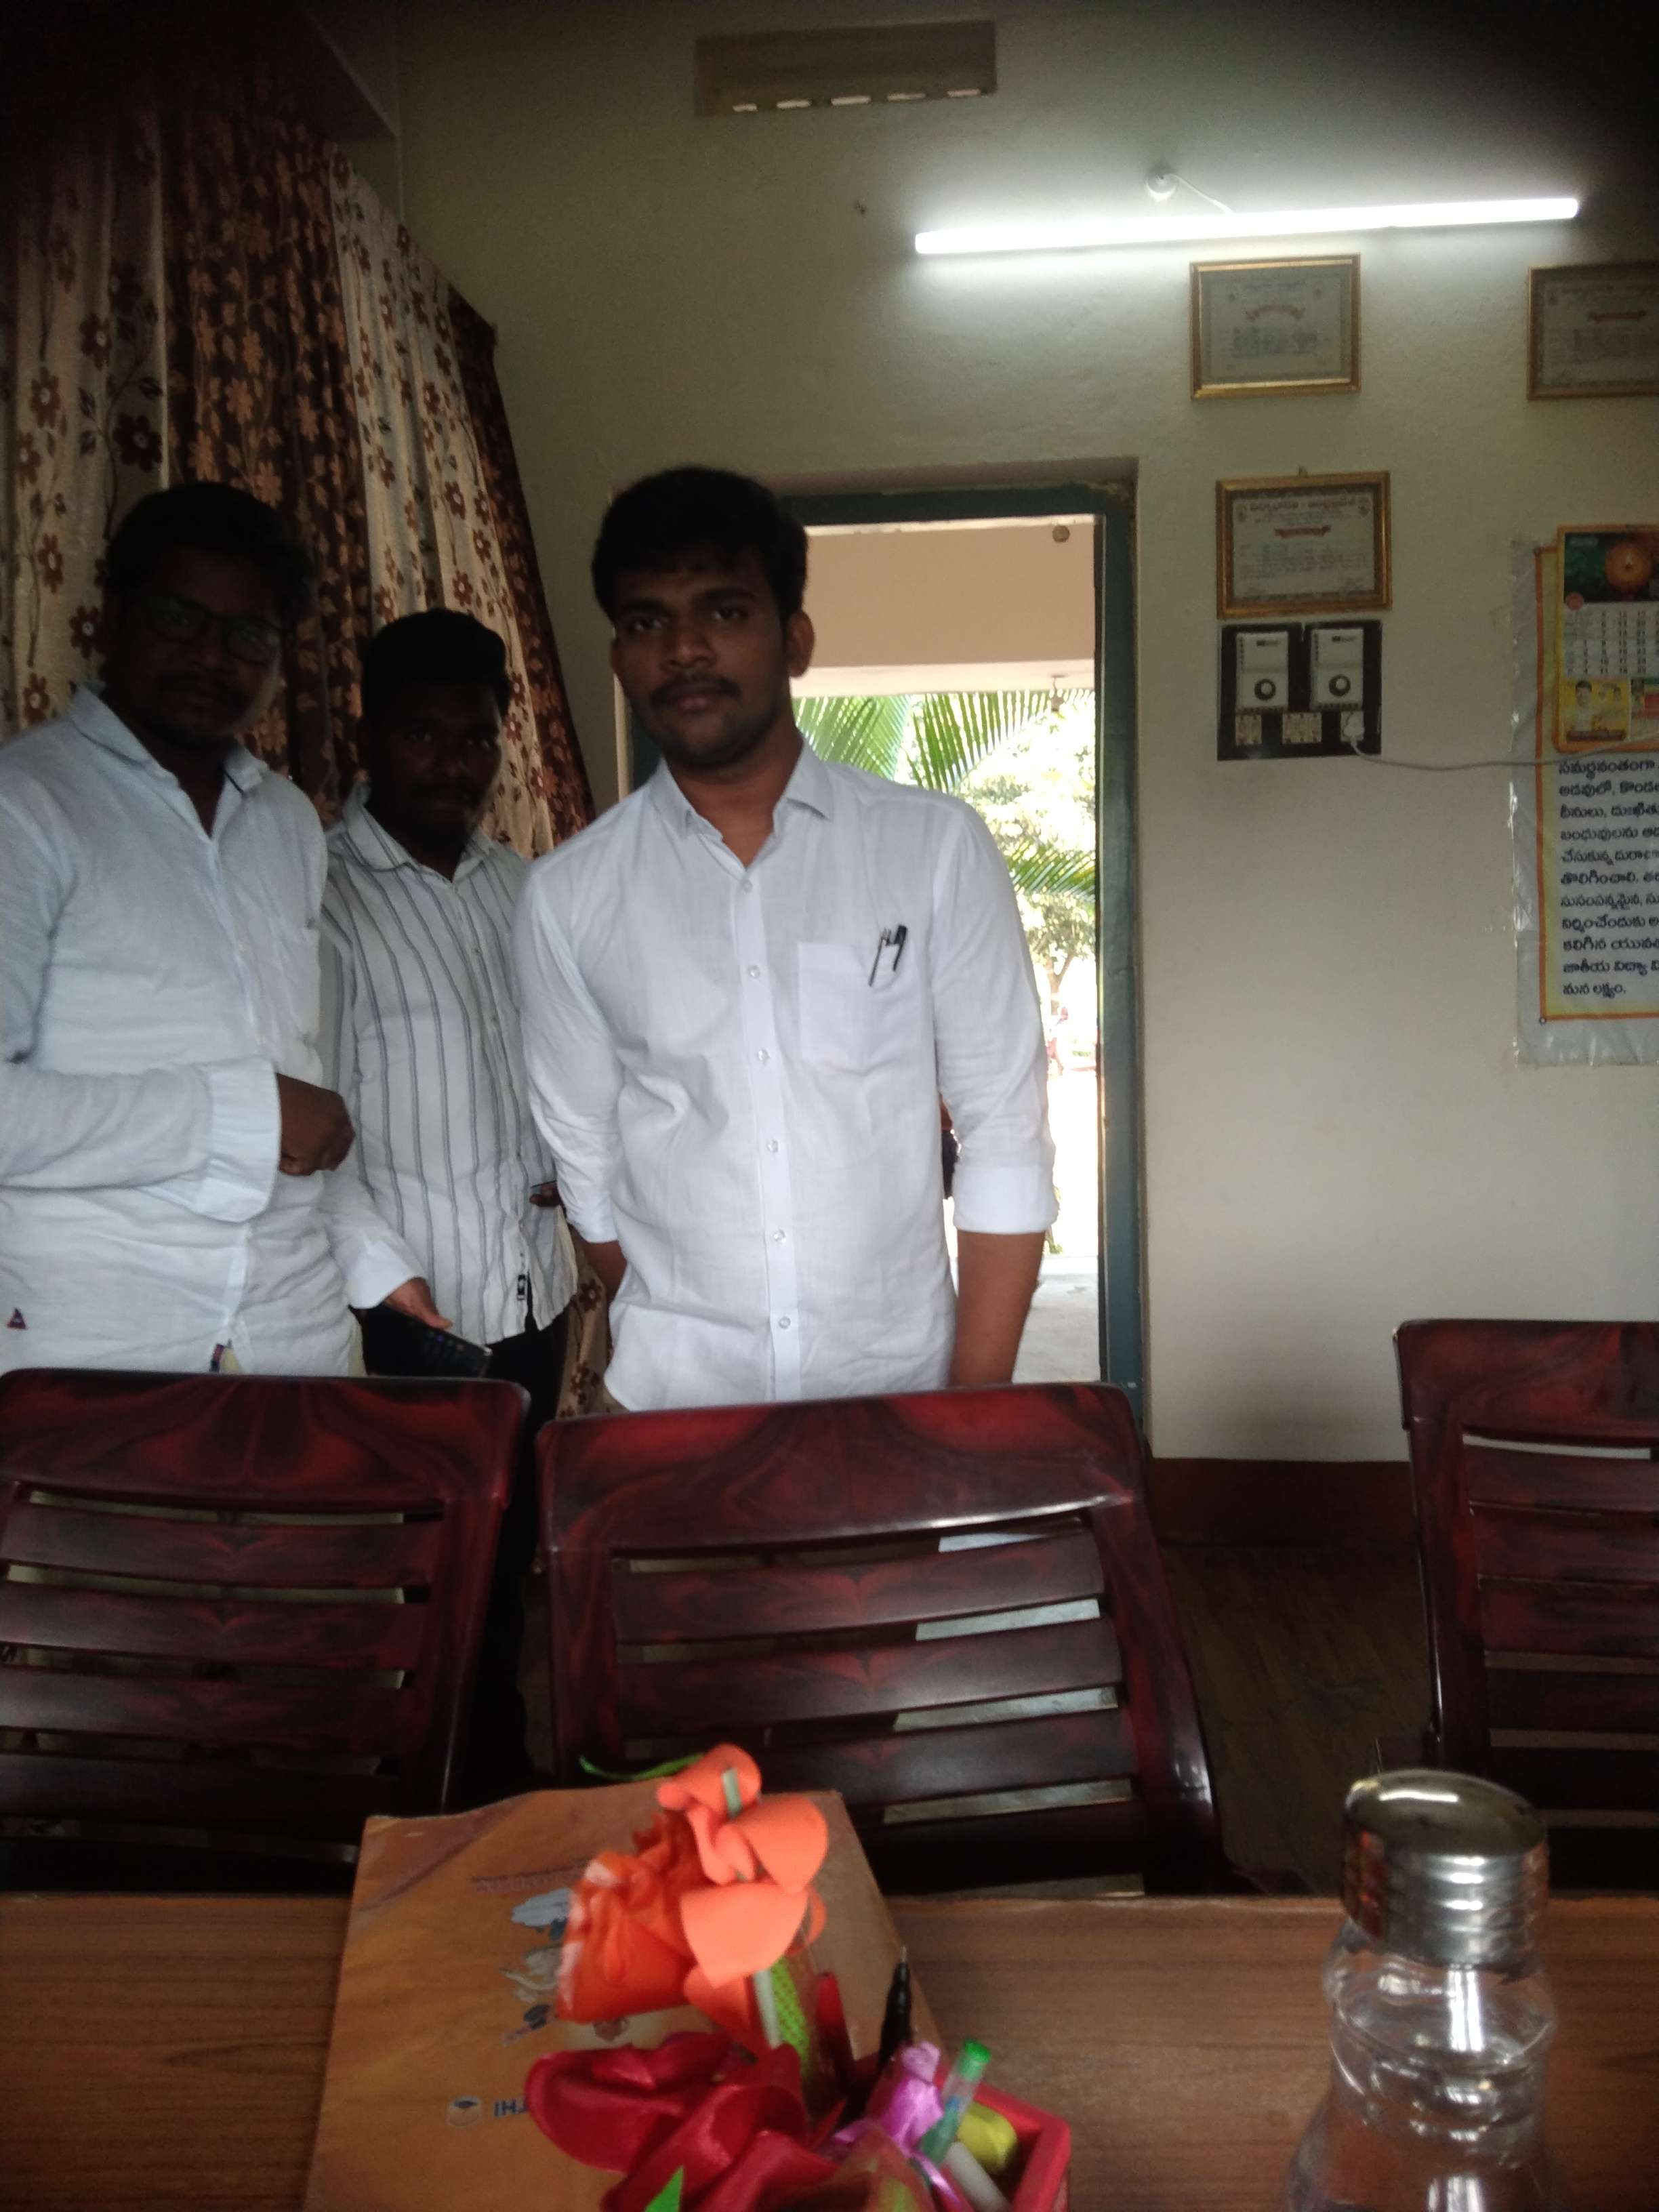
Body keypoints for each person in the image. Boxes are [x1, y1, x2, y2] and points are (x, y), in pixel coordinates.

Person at [514, 466, 1055, 1412]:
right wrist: (693, 1320)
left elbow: (1004, 1132)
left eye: (724, 612)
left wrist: (967, 1414)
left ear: (794, 640)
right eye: (647, 621)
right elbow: (587, 1162)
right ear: (620, 660)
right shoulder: (566, 896)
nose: (684, 648)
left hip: (895, 1393)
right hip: (671, 1407)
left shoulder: (932, 850)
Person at [0, 481, 423, 1376]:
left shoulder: (288, 824)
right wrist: (241, 1113)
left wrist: (373, 1258)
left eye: (248, 635)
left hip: (295, 1329)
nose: (210, 656)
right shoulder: (26, 804)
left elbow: (302, 1085)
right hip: (95, 1338)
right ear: (114, 613)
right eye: (179, 618)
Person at [320, 609, 577, 1799]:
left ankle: (496, 1788)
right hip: (411, 1312)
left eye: (475, 738)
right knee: (417, 1580)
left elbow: (556, 1071)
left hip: (531, 1294)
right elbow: (313, 1122)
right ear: (368, 735)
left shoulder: (521, 889)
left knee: (507, 1562)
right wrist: (388, 1287)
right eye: (423, 734)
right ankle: (414, 1809)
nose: (453, 764)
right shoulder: (324, 897)